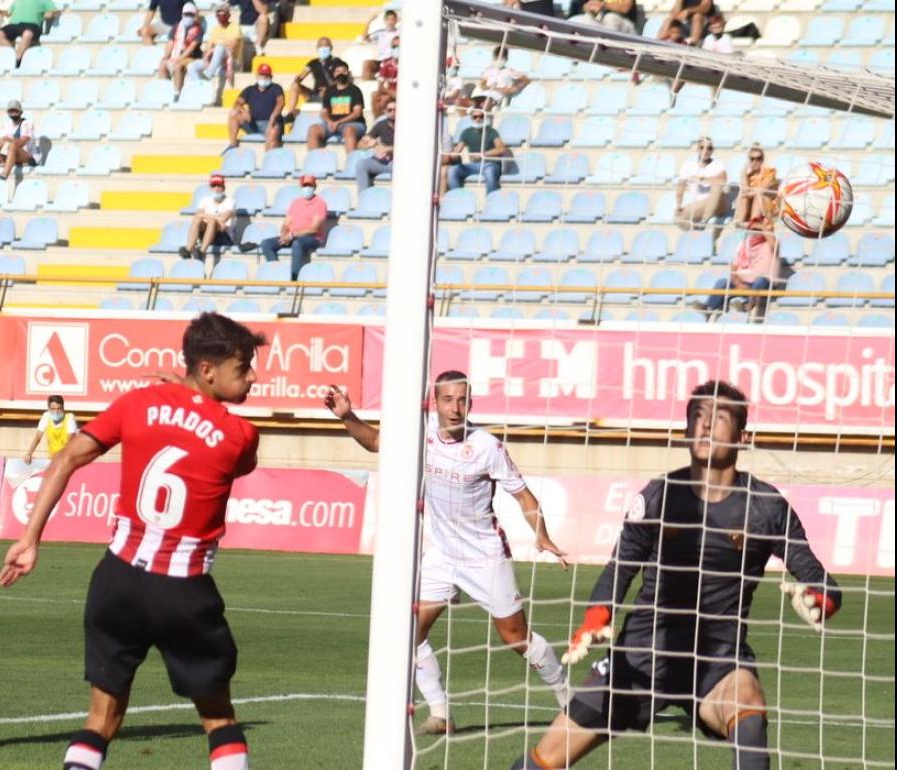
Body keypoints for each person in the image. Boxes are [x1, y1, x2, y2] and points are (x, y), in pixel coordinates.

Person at [511, 380, 842, 770]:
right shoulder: (659, 495)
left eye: (718, 418)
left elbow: (821, 581)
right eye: (697, 418)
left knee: (748, 702)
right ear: (686, 431)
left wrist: (822, 601)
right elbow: (621, 568)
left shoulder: (767, 507)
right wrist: (596, 617)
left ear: (742, 436)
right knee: (546, 759)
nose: (705, 426)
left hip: (717, 660)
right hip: (641, 657)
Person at [0, 312, 266, 770]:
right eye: (243, 368)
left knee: (100, 719)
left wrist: (30, 538)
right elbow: (240, 463)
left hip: (118, 579)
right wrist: (186, 403)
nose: (252, 377)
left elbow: (65, 459)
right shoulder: (240, 434)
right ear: (208, 370)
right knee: (219, 720)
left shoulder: (137, 402)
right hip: (184, 589)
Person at [324, 375, 571, 735]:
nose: (455, 408)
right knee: (409, 632)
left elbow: (524, 496)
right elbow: (377, 442)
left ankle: (570, 701)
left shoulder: (488, 446)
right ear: (434, 403)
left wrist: (542, 535)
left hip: (484, 555)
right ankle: (440, 714)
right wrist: (347, 416)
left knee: (516, 638)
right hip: (441, 554)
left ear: (470, 404)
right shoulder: (419, 434)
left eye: (462, 401)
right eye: (447, 400)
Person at [699, 211, 781, 320]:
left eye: (758, 230)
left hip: (763, 283)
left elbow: (773, 244)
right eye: (752, 229)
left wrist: (763, 228)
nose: (755, 232)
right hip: (743, 281)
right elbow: (734, 267)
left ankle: (747, 305)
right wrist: (738, 283)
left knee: (760, 281)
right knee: (722, 282)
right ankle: (708, 308)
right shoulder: (744, 244)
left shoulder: (771, 244)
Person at [258, 174, 326, 280]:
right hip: (292, 236)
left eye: (310, 185)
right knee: (266, 244)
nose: (307, 188)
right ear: (301, 186)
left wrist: (291, 235)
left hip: (312, 238)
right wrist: (284, 234)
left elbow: (314, 228)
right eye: (305, 185)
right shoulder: (296, 202)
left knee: (297, 243)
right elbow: (286, 223)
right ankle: (277, 274)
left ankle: (294, 278)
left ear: (314, 187)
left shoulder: (320, 203)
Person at [442, 98, 507, 195]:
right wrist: (453, 155)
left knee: (490, 174)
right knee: (452, 170)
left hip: (490, 164)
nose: (478, 119)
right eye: (475, 117)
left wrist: (482, 154)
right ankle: (457, 198)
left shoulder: (491, 131)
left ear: (485, 118)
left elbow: (501, 149)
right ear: (471, 118)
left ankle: (491, 201)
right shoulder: (466, 132)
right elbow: (458, 150)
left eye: (481, 116)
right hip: (473, 165)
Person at [307, 61, 365, 153]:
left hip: (352, 123)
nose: (340, 73)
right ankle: (315, 162)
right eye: (337, 71)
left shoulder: (355, 90)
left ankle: (351, 162)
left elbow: (357, 113)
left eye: (343, 71)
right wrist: (330, 121)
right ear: (333, 74)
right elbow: (324, 112)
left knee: (349, 131)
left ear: (348, 73)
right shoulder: (329, 91)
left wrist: (338, 122)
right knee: (313, 129)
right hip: (332, 123)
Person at [225, 62, 283, 151]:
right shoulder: (249, 90)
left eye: (266, 75)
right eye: (261, 75)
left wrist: (273, 118)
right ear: (257, 76)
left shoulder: (276, 88)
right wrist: (244, 111)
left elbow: (281, 102)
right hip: (253, 123)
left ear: (271, 77)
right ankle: (233, 144)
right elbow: (237, 103)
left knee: (273, 129)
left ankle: (269, 157)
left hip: (270, 123)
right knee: (234, 113)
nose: (263, 77)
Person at [179, 174, 235, 264]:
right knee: (198, 220)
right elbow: (198, 216)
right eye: (213, 186)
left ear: (223, 187)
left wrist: (207, 216)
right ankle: (188, 249)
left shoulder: (230, 201)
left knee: (211, 221)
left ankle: (202, 251)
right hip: (207, 233)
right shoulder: (205, 200)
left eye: (219, 185)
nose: (216, 188)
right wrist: (217, 217)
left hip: (223, 237)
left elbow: (224, 218)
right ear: (210, 188)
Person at [676, 136, 727, 230]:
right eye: (702, 147)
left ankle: (705, 220)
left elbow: (722, 180)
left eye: (709, 148)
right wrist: (678, 205)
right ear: (697, 149)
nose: (705, 150)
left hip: (718, 203)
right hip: (700, 204)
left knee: (716, 186)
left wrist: (701, 179)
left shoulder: (718, 163)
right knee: (678, 218)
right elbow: (681, 185)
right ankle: (697, 233)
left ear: (713, 150)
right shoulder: (688, 164)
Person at [287, 37, 345, 116]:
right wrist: (297, 79)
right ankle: (290, 113)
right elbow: (302, 75)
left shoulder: (337, 61)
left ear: (331, 48)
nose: (323, 48)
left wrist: (328, 89)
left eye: (326, 45)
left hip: (330, 93)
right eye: (321, 46)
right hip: (314, 94)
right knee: (295, 85)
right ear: (317, 48)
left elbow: (341, 79)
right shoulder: (313, 63)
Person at [188, 3, 241, 87]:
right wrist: (207, 57)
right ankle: (198, 87)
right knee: (192, 66)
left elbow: (232, 46)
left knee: (220, 47)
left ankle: (209, 73)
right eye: (218, 15)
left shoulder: (235, 27)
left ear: (228, 15)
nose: (221, 17)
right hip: (215, 60)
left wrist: (214, 50)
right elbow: (208, 47)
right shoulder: (215, 30)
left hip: (231, 60)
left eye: (223, 14)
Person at [0, 0, 58, 68]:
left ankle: (17, 61)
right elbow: (8, 14)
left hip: (32, 24)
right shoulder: (17, 1)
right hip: (14, 24)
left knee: (27, 34)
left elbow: (55, 11)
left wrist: (51, 13)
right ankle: (14, 55)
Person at [158, 1, 203, 96]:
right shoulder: (176, 27)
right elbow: (170, 43)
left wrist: (180, 58)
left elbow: (192, 47)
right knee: (162, 65)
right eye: (186, 14)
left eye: (191, 14)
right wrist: (166, 56)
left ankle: (177, 93)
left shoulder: (198, 29)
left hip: (191, 57)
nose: (188, 16)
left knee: (178, 65)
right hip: (176, 54)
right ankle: (164, 90)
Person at [22, 395, 78, 464]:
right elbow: (38, 437)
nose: (56, 412)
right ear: (49, 409)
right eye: (53, 409)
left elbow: (70, 441)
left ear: (63, 408)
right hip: (52, 458)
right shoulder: (46, 416)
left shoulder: (69, 418)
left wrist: (61, 458)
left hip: (68, 459)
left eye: (59, 408)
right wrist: (29, 453)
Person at [355, 100, 395, 194]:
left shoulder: (407, 125)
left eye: (395, 110)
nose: (393, 113)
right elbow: (360, 145)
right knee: (361, 164)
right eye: (390, 110)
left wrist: (387, 149)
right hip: (385, 161)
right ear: (385, 111)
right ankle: (364, 199)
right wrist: (368, 144)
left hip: (400, 163)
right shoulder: (381, 125)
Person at [734, 144, 778, 225]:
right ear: (749, 160)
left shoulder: (770, 172)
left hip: (766, 205)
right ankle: (739, 223)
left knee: (758, 195)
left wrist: (751, 193)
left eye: (759, 158)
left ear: (762, 159)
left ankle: (753, 223)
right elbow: (745, 191)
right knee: (744, 196)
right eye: (752, 159)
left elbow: (763, 188)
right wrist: (745, 176)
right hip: (750, 204)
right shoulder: (748, 174)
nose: (755, 161)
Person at [362, 9, 398, 79]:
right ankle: (367, 87)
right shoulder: (380, 33)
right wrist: (369, 22)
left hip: (395, 61)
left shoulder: (401, 32)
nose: (390, 22)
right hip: (382, 61)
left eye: (392, 19)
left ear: (396, 20)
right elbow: (365, 38)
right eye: (388, 19)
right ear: (385, 21)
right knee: (367, 64)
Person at [568, 0, 638, 34]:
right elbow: (586, 5)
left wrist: (604, 5)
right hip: (600, 20)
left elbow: (625, 8)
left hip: (622, 22)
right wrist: (590, 7)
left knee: (610, 18)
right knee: (577, 19)